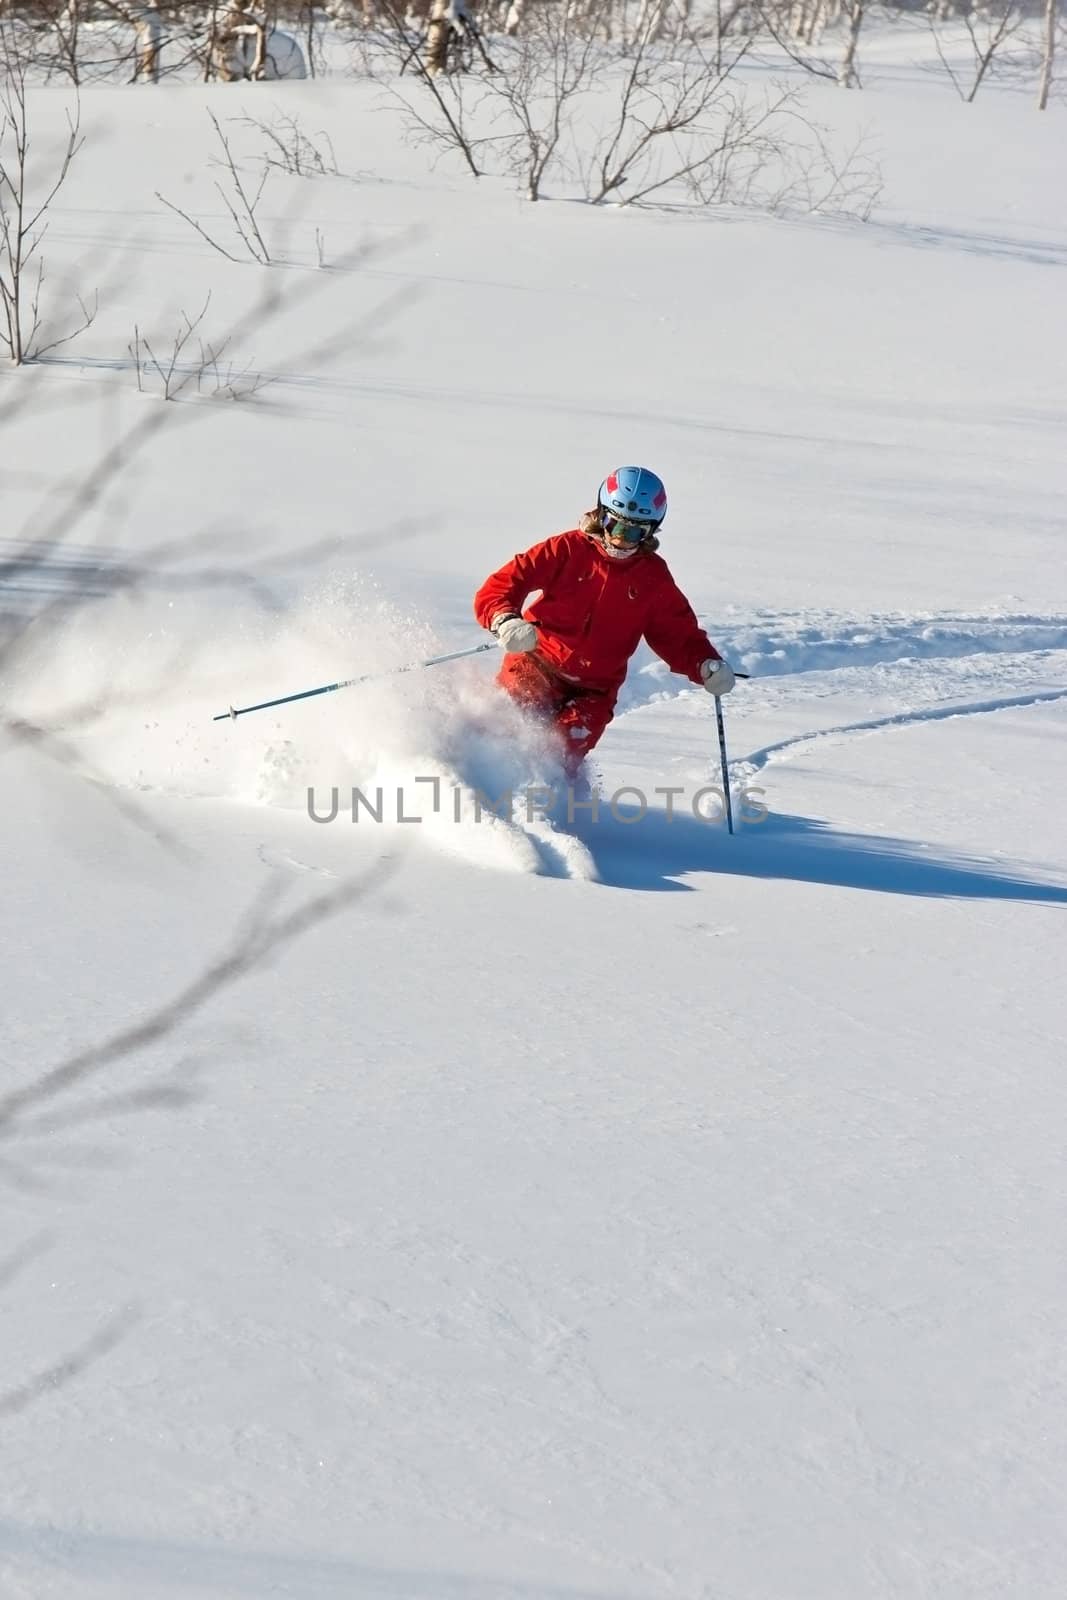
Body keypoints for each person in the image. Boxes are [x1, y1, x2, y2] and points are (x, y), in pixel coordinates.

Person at [473, 466, 736, 777]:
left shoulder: (653, 578)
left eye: (634, 532)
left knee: (557, 757)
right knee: (505, 732)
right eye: (614, 524)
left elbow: (678, 634)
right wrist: (505, 620)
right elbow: (502, 585)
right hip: (535, 662)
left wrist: (705, 664)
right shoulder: (566, 549)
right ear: (601, 514)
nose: (620, 538)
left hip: (593, 692)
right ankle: (476, 787)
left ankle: (542, 810)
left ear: (651, 532)